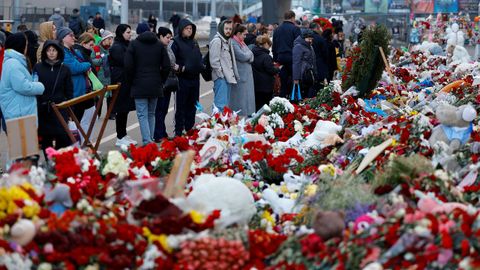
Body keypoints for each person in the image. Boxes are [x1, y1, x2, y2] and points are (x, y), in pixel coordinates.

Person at [124, 23, 170, 146]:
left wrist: (131, 80)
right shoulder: (159, 45)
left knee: (142, 114)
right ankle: (149, 138)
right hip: (155, 84)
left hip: (139, 84)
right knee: (151, 113)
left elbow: (128, 66)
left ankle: (147, 141)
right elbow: (166, 66)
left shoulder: (133, 45)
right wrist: (161, 80)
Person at [34, 40, 73, 152]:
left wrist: (70, 110)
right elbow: (35, 87)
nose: (51, 53)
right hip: (43, 109)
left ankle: (58, 160)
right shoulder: (38, 67)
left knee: (63, 137)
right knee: (46, 139)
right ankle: (49, 162)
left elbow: (69, 91)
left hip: (60, 108)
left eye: (54, 50)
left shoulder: (65, 68)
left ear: (58, 52)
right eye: (48, 50)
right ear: (44, 52)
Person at [0, 33, 45, 122]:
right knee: (23, 136)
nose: (27, 47)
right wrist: (40, 86)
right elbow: (24, 87)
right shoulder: (13, 63)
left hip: (19, 112)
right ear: (20, 45)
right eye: (26, 44)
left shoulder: (14, 61)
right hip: (19, 114)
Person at [171, 19, 203, 137]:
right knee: (181, 107)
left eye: (191, 29)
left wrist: (201, 65)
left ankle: (190, 130)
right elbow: (170, 59)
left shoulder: (194, 42)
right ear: (181, 29)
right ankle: (178, 131)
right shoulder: (175, 42)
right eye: (187, 28)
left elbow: (199, 57)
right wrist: (180, 69)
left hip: (195, 79)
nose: (189, 30)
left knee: (193, 105)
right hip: (182, 80)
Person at [109, 24, 137, 147]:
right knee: (121, 109)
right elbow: (126, 62)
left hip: (126, 81)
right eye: (128, 32)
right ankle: (120, 137)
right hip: (120, 81)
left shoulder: (126, 45)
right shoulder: (116, 47)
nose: (130, 34)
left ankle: (124, 134)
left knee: (125, 110)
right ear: (121, 33)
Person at [57, 27, 92, 124]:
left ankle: (82, 139)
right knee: (74, 123)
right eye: (70, 35)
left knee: (83, 120)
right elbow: (75, 68)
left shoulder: (74, 51)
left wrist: (85, 65)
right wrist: (88, 65)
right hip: (74, 93)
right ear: (63, 38)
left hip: (82, 91)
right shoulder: (62, 52)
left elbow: (82, 64)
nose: (74, 38)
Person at [154, 27, 178, 141]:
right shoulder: (158, 48)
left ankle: (162, 132)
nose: (169, 40)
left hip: (168, 83)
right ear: (161, 37)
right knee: (159, 109)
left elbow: (171, 61)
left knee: (163, 109)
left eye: (170, 37)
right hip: (161, 82)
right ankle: (158, 134)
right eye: (167, 37)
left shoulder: (167, 48)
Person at [210, 20, 238, 112]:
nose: (228, 31)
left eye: (230, 29)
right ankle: (216, 125)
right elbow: (214, 61)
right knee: (220, 106)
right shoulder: (217, 41)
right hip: (221, 78)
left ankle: (221, 125)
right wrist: (221, 75)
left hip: (227, 78)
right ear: (222, 28)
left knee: (225, 106)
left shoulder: (227, 41)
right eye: (226, 28)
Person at [272, 11, 301, 97]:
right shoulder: (295, 29)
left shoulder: (277, 29)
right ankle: (293, 101)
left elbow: (275, 45)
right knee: (294, 80)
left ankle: (282, 99)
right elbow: (298, 45)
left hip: (281, 59)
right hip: (293, 58)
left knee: (283, 81)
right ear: (292, 18)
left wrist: (275, 59)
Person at [230, 24, 255, 116]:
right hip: (241, 76)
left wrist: (248, 54)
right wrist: (248, 54)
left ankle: (247, 116)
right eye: (244, 34)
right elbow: (243, 56)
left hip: (246, 75)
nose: (245, 36)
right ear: (239, 33)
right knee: (241, 100)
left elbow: (251, 55)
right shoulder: (233, 42)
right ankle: (241, 117)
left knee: (247, 98)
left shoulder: (241, 42)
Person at [91, 29, 114, 119]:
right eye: (109, 39)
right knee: (99, 96)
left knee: (110, 96)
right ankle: (97, 114)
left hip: (109, 76)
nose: (111, 41)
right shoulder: (96, 49)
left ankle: (110, 114)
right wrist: (103, 60)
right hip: (100, 76)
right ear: (104, 40)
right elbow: (93, 60)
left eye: (111, 39)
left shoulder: (111, 49)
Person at [251, 35, 278, 111]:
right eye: (269, 45)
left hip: (255, 85)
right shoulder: (266, 56)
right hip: (266, 86)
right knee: (265, 107)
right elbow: (270, 70)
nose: (269, 48)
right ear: (265, 44)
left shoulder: (252, 54)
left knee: (257, 106)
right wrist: (278, 69)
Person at [292, 30, 317, 99]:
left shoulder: (310, 47)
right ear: (304, 38)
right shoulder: (298, 47)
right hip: (302, 76)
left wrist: (315, 73)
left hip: (309, 75)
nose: (310, 41)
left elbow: (313, 61)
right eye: (309, 39)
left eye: (311, 39)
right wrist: (296, 78)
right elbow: (296, 63)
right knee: (302, 96)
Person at [310, 22, 329, 88]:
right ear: (317, 28)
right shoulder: (320, 39)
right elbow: (325, 53)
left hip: (308, 64)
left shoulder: (305, 38)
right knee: (319, 84)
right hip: (319, 64)